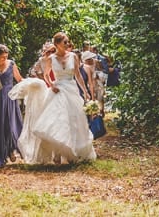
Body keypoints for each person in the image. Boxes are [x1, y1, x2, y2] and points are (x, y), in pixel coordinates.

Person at [9, 31, 96, 164]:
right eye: (64, 42)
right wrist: (51, 85)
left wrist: (85, 91)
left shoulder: (73, 56)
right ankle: (57, 152)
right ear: (57, 44)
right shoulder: (51, 58)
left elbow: (78, 75)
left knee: (73, 119)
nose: (67, 44)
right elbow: (46, 75)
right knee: (57, 120)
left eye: (68, 41)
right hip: (58, 89)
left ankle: (72, 151)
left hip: (71, 89)